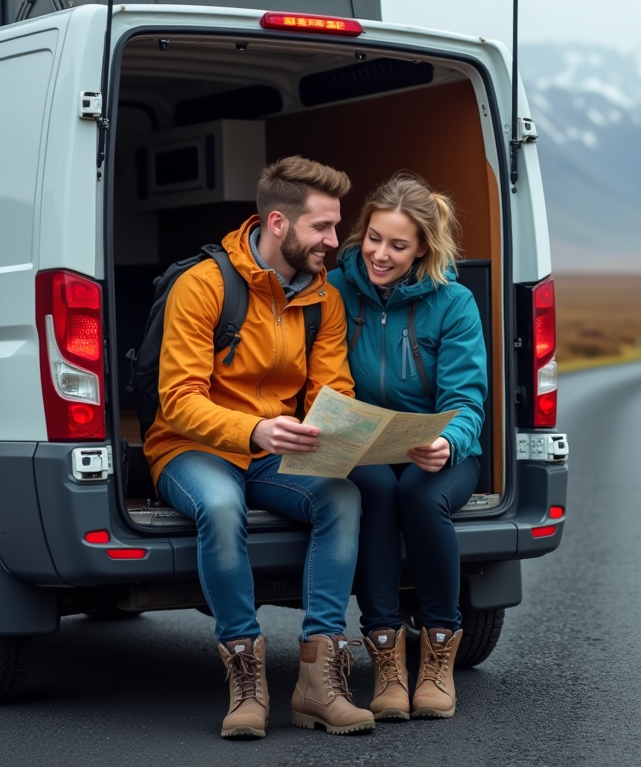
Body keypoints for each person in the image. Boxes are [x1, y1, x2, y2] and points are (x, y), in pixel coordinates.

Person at [144, 156, 375, 738]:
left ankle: (319, 681)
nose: (334, 240)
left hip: (275, 448)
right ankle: (246, 681)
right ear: (278, 223)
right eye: (321, 227)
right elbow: (178, 400)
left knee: (341, 497)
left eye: (335, 226)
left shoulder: (325, 298)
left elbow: (332, 389)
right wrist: (253, 431)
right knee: (220, 508)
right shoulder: (202, 285)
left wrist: (341, 431)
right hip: (190, 446)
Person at [327, 172, 487, 721]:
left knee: (421, 495)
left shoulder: (454, 302)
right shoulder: (334, 289)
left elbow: (467, 400)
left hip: (436, 449)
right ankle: (387, 660)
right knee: (372, 490)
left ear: (423, 248)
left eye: (398, 245)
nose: (380, 253)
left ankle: (439, 652)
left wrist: (447, 442)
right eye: (374, 238)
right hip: (363, 444)